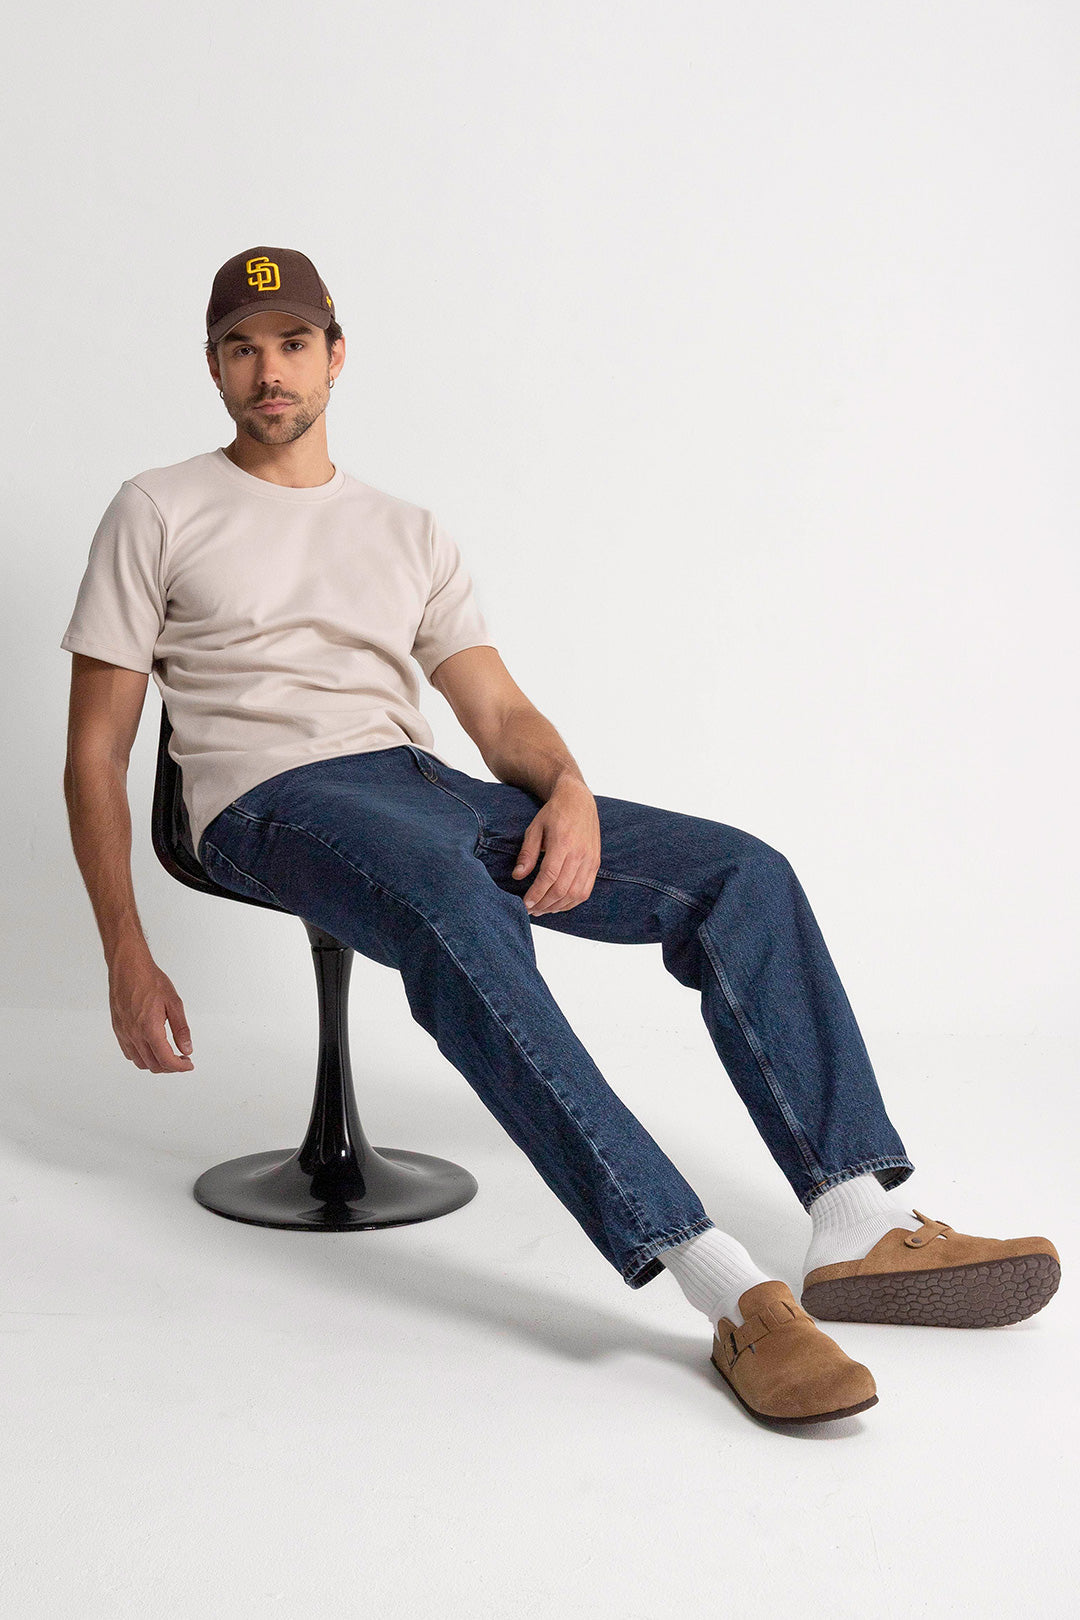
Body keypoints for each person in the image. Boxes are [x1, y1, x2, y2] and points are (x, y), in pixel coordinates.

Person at [60, 245, 1061, 1429]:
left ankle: (858, 1219)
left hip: (421, 785)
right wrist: (124, 950)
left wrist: (568, 787)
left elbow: (496, 715)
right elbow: (96, 751)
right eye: (241, 349)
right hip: (266, 801)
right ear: (214, 367)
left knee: (739, 873)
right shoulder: (157, 507)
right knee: (454, 900)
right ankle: (723, 1287)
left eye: (291, 344)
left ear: (336, 355)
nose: (268, 371)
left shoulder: (406, 529)